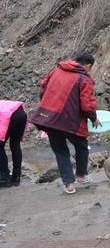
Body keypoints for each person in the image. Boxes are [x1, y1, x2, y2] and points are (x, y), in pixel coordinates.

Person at [29, 53, 102, 194]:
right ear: (88, 66)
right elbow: (87, 105)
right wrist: (93, 118)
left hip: (50, 118)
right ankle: (81, 176)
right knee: (81, 146)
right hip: (70, 121)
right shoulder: (84, 79)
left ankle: (69, 185)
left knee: (61, 151)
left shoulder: (55, 71)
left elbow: (42, 90)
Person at [0, 100, 29, 188]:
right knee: (15, 144)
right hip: (21, 114)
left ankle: (5, 178)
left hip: (10, 116)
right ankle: (16, 177)